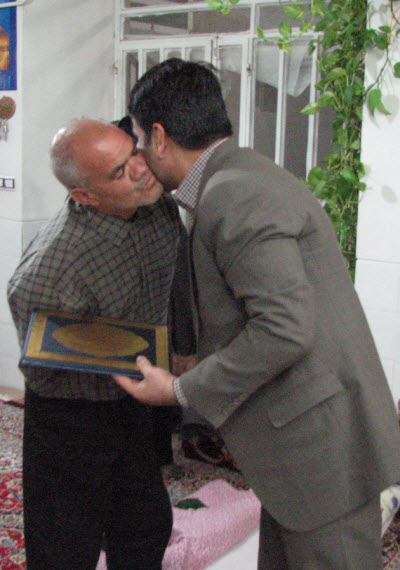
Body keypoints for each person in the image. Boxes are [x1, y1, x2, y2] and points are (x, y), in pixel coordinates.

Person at [113, 58, 400, 569]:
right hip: (301, 449)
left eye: (137, 141)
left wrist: (180, 389)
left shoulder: (234, 193)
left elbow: (284, 328)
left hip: (320, 452)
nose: (138, 157)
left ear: (158, 137)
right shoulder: (239, 175)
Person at [7, 118, 190, 570]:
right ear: (85, 196)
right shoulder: (56, 268)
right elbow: (40, 363)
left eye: (134, 153)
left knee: (147, 526)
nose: (140, 171)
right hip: (69, 415)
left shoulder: (158, 206)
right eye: (119, 172)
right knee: (65, 551)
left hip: (133, 399)